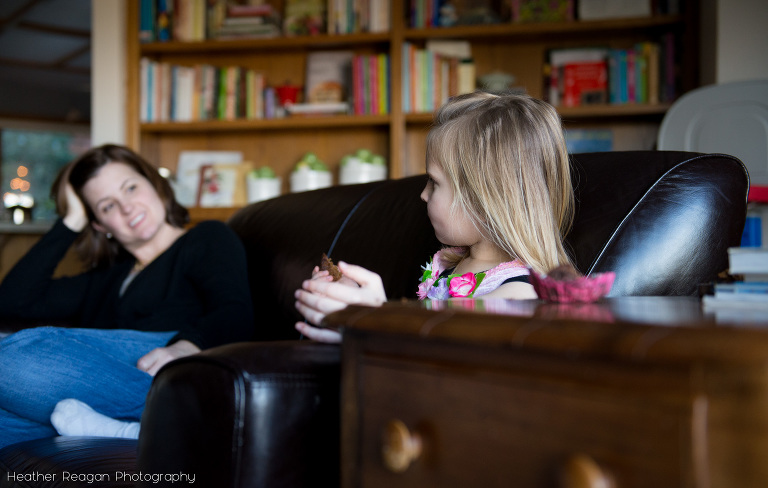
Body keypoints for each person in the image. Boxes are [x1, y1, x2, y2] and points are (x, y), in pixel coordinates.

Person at [0, 144, 254, 448]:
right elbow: (13, 301)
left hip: (171, 369)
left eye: (131, 188)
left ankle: (176, 416)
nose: (127, 207)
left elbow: (235, 310)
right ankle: (128, 427)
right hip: (98, 392)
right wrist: (71, 221)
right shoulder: (107, 277)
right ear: (99, 225)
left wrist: (185, 348)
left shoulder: (206, 238)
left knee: (14, 358)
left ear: (154, 184)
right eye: (107, 206)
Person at [294, 91, 574, 343]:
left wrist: (378, 319)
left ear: (484, 198)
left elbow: (442, 353)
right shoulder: (454, 265)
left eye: (434, 182)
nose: (423, 195)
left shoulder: (518, 296)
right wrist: (352, 315)